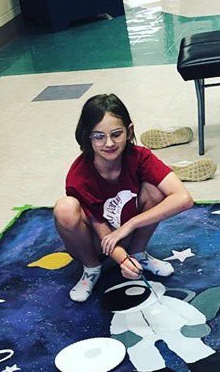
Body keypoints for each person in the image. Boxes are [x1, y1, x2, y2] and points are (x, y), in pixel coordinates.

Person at [54, 93, 195, 303]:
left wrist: (131, 224)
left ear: (129, 131)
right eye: (99, 136)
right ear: (86, 136)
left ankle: (139, 253)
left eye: (116, 134)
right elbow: (102, 230)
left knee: (156, 190)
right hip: (95, 241)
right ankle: (91, 267)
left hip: (126, 232)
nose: (109, 143)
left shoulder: (140, 156)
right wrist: (122, 260)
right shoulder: (79, 175)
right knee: (65, 208)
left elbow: (184, 198)